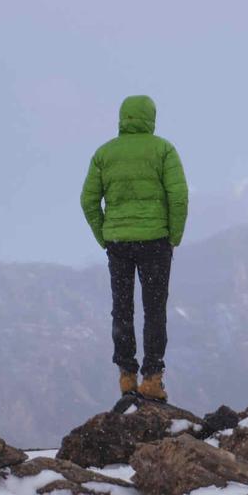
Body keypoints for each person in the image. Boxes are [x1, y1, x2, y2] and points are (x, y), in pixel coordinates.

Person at [81, 94, 189, 401]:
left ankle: (126, 377)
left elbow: (87, 199)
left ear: (122, 117)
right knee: (154, 310)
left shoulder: (104, 154)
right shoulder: (163, 150)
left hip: (118, 243)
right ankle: (152, 379)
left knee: (122, 309)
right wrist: (173, 236)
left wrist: (104, 235)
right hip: (156, 241)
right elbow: (178, 197)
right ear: (150, 117)